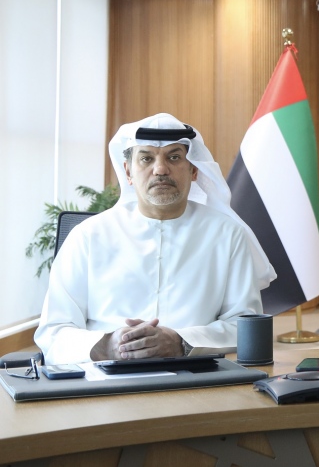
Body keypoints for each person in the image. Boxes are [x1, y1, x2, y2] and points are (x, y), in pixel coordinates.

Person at [35, 113, 277, 364]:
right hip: (103, 378)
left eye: (174, 157)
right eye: (146, 158)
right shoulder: (87, 236)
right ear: (128, 171)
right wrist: (105, 346)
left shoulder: (227, 234)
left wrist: (181, 342)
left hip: (196, 376)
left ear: (194, 170)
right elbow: (53, 331)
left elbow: (246, 327)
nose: (160, 169)